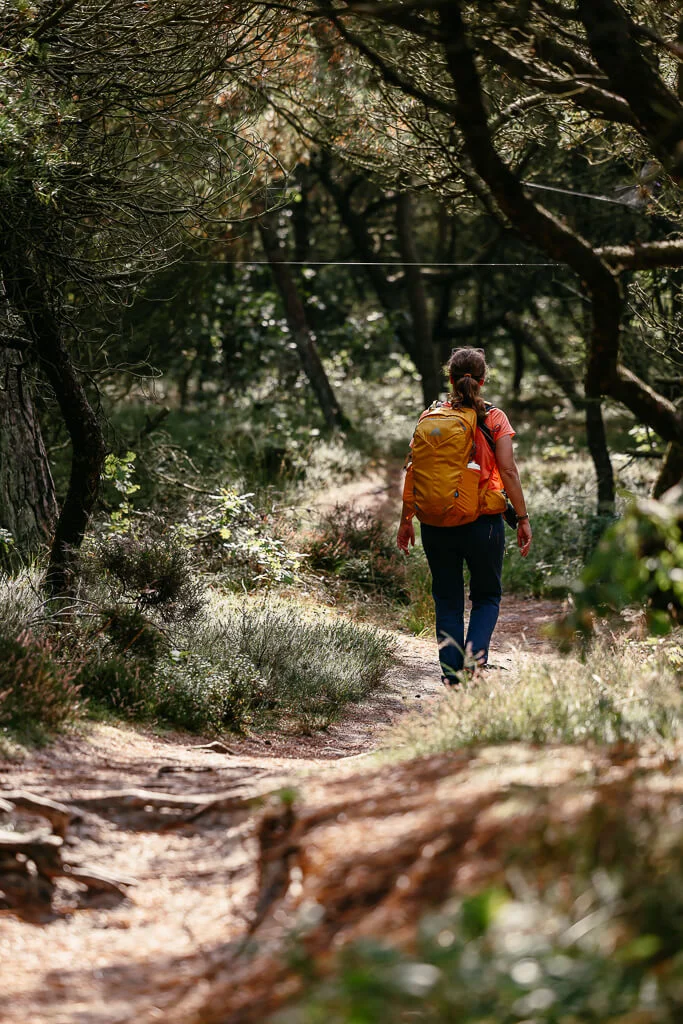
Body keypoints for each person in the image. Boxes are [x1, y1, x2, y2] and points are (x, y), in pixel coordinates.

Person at [397, 346, 532, 684]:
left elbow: (414, 471)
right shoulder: (494, 418)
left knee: (447, 597)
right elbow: (509, 471)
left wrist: (406, 520)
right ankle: (473, 663)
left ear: (450, 378)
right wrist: (523, 517)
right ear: (482, 380)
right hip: (482, 521)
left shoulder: (431, 417)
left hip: (435, 521)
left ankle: (451, 675)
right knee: (486, 595)